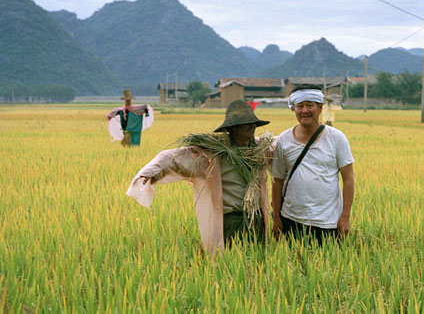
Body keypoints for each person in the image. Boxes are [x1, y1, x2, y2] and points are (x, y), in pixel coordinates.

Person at [126, 100, 273, 255]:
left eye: (253, 123)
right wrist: (150, 174)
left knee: (258, 260)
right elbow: (174, 158)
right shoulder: (215, 153)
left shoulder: (261, 150)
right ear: (234, 128)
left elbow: (286, 146)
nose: (252, 127)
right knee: (231, 263)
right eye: (246, 123)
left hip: (257, 217)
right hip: (232, 220)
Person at [271, 85, 355, 245]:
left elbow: (349, 179)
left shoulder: (337, 138)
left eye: (310, 105)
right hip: (291, 219)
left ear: (320, 107)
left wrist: (345, 216)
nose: (304, 110)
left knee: (327, 266)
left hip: (327, 222)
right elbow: (277, 180)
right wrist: (276, 217)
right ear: (294, 109)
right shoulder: (283, 140)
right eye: (299, 106)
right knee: (290, 266)